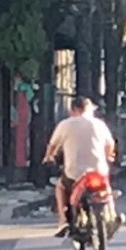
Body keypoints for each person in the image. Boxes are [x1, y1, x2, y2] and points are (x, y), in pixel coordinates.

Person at [43, 96, 116, 237]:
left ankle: (63, 220)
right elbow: (110, 144)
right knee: (106, 186)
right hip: (98, 170)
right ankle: (112, 215)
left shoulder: (65, 124)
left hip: (74, 173)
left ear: (74, 109)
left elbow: (52, 146)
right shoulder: (99, 124)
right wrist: (108, 156)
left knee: (60, 186)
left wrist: (48, 157)